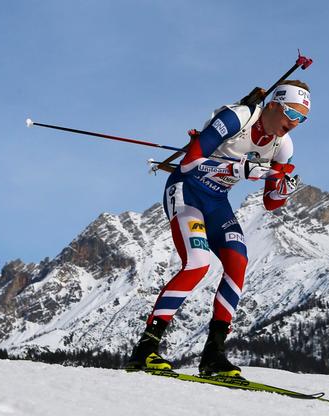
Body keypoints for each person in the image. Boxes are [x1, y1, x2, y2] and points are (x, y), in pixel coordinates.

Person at [126, 80, 311, 376]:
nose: (295, 123)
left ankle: (214, 355)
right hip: (187, 191)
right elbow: (188, 164)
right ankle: (145, 349)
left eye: (302, 118)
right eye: (292, 113)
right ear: (274, 105)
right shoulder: (238, 117)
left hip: (216, 202)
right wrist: (237, 168)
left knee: (237, 262)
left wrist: (283, 190)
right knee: (198, 263)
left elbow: (271, 203)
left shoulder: (283, 146)